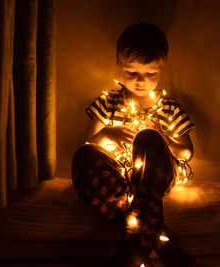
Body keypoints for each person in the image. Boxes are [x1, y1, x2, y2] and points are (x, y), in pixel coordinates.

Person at [71, 23, 195, 267]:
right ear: (120, 64)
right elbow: (87, 141)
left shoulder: (168, 107)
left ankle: (135, 247)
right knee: (82, 157)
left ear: (161, 67)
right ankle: (157, 238)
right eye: (132, 73)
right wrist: (108, 132)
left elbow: (187, 153)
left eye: (150, 74)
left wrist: (162, 137)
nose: (141, 81)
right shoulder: (109, 102)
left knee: (147, 139)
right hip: (119, 176)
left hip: (154, 177)